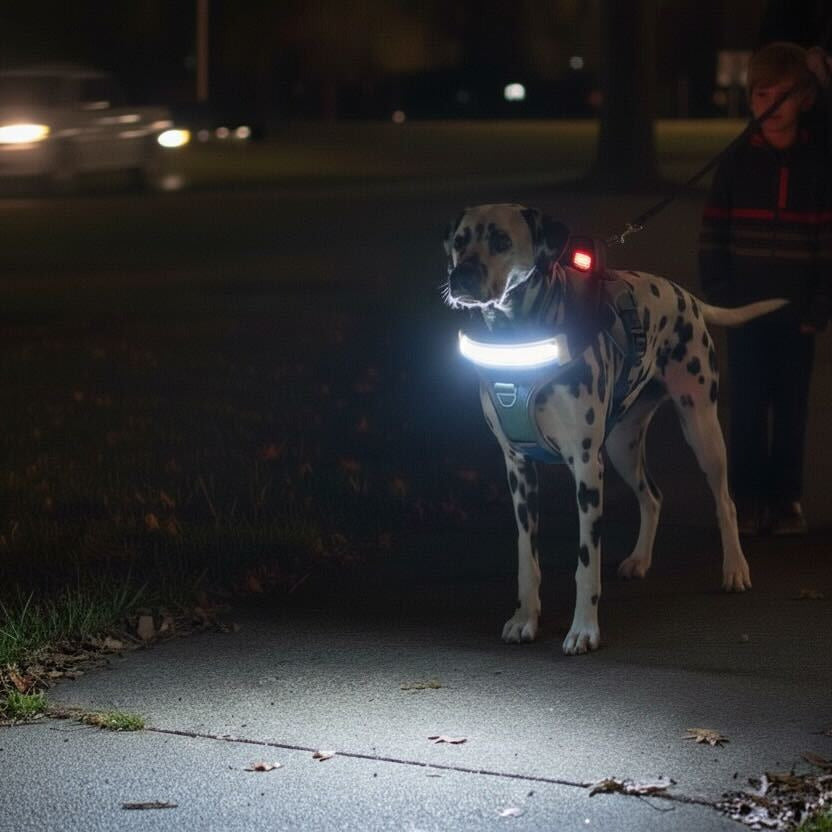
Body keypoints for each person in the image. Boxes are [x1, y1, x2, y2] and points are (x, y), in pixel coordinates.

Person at [699, 42, 831, 536]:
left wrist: (820, 303)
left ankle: (786, 497)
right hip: (744, 310)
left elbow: (825, 241)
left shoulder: (816, 164)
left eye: (782, 95)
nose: (769, 107)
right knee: (748, 404)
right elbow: (713, 234)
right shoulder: (736, 162)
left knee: (792, 407)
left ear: (806, 100)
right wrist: (721, 294)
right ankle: (749, 497)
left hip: (797, 311)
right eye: (760, 95)